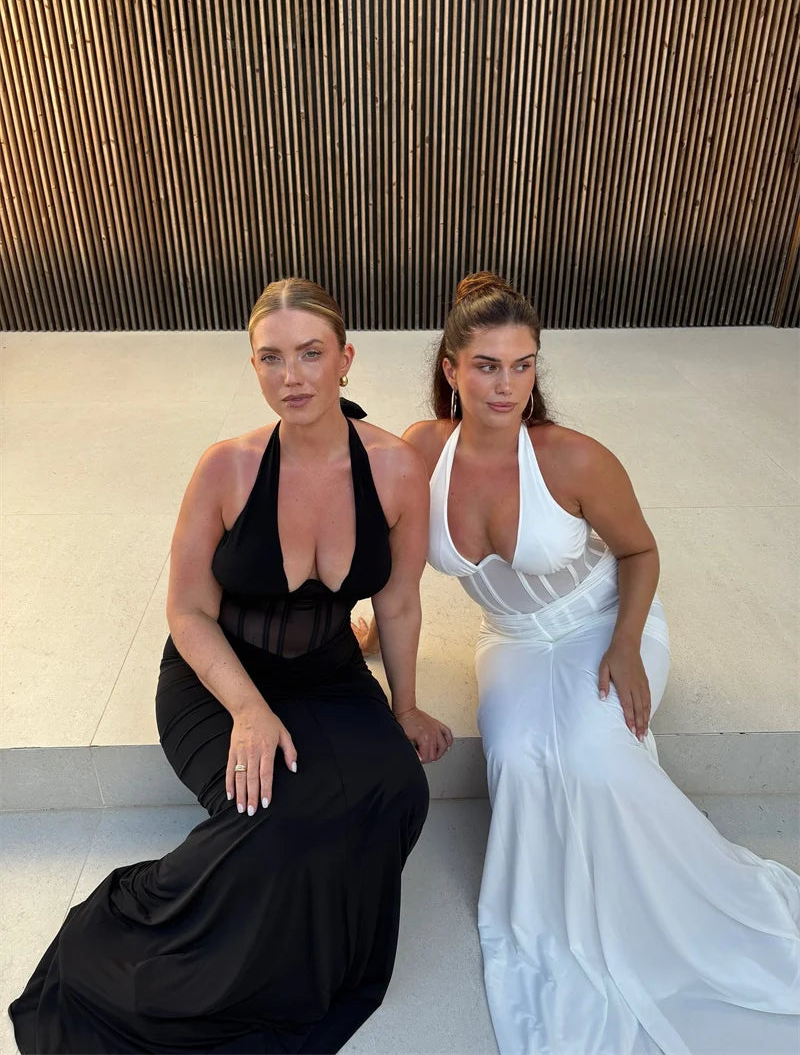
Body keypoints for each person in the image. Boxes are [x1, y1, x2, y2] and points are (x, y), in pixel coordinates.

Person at [356, 272, 799, 1055]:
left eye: (523, 365)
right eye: (487, 365)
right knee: (523, 762)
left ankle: (684, 922)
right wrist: (383, 661)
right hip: (514, 641)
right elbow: (398, 577)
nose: (507, 384)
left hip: (603, 621)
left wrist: (626, 644)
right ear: (451, 368)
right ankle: (559, 932)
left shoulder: (573, 458)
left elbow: (640, 550)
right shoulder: (422, 450)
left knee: (597, 755)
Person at [9, 277, 452, 1054]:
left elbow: (401, 603)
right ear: (253, 366)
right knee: (277, 816)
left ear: (345, 359)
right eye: (271, 358)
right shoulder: (228, 468)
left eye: (311, 354)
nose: (293, 377)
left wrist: (406, 706)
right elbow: (186, 612)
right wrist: (249, 709)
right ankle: (167, 960)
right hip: (214, 675)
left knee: (396, 791)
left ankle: (309, 959)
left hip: (325, 668)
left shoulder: (395, 470)